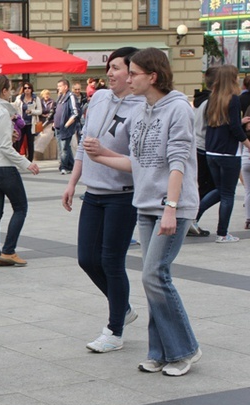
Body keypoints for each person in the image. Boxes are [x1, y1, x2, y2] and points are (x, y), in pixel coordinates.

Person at [84, 47, 202, 376]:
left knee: (155, 276)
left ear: (153, 76)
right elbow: (136, 164)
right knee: (152, 281)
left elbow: (179, 161)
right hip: (146, 206)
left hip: (172, 208)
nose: (127, 78)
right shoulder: (143, 112)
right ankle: (159, 352)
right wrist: (101, 155)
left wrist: (171, 207)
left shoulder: (177, 108)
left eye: (133, 73)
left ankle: (186, 350)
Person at [62, 47, 143, 353]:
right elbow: (84, 143)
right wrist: (72, 182)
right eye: (109, 67)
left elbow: (137, 161)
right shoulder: (97, 99)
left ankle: (115, 331)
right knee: (86, 259)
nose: (110, 73)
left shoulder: (141, 108)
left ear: (133, 73)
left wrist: (104, 156)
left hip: (122, 196)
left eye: (118, 68)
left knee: (111, 261)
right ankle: (121, 306)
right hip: (93, 193)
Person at [0, 75, 40, 269]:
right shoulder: (2, 113)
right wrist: (26, 163)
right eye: (10, 88)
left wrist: (7, 136)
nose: (12, 91)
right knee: (20, 207)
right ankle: (8, 250)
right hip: (3, 167)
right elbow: (5, 148)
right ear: (4, 91)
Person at [196, 65, 250, 243]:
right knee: (228, 194)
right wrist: (249, 145)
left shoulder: (212, 98)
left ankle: (191, 216)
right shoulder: (233, 99)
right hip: (228, 153)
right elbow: (235, 128)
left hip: (211, 151)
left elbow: (220, 124)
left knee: (220, 190)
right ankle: (223, 233)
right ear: (231, 79)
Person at [189, 67, 218, 237]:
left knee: (203, 187)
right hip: (205, 148)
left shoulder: (200, 99)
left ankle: (191, 219)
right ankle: (191, 219)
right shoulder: (212, 101)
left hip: (198, 146)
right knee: (214, 188)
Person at [53, 79, 79, 174]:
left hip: (65, 127)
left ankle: (63, 167)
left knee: (64, 148)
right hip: (58, 127)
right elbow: (56, 110)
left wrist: (67, 124)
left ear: (65, 87)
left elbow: (75, 113)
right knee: (64, 148)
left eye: (60, 86)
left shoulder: (71, 96)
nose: (58, 88)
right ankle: (71, 166)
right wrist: (54, 122)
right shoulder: (60, 97)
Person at [13, 82, 43, 162]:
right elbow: (15, 107)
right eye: (25, 88)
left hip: (31, 124)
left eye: (29, 88)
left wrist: (32, 111)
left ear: (31, 89)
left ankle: (30, 160)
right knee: (18, 141)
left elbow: (40, 111)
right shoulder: (19, 98)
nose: (27, 90)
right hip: (21, 124)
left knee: (30, 143)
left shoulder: (36, 98)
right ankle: (17, 159)